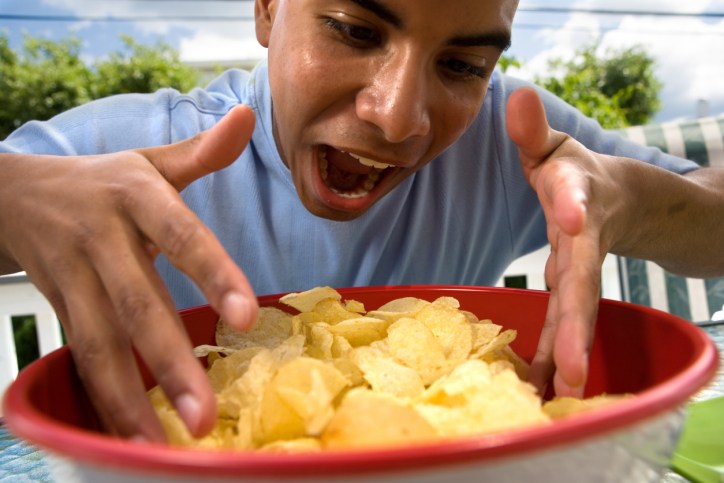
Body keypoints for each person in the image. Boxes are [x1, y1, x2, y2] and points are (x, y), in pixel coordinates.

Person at [1, 0, 723, 443]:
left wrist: (627, 195)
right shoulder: (127, 150)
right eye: (353, 29)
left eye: (464, 64)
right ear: (266, 6)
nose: (398, 114)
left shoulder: (512, 137)